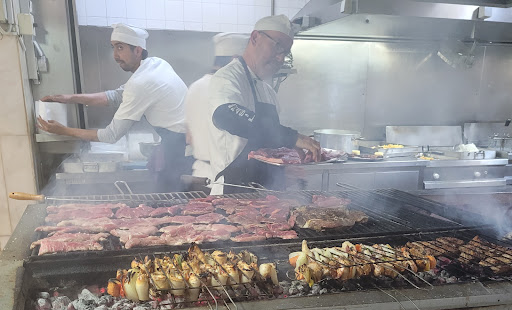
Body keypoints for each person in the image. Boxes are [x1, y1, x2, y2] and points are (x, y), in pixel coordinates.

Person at [37, 23, 190, 191]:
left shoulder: (142, 82)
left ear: (137, 50)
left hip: (180, 148)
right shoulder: (156, 64)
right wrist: (69, 98)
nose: (115, 55)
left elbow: (110, 135)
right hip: (181, 141)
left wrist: (64, 131)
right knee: (170, 198)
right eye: (113, 47)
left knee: (173, 199)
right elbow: (116, 96)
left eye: (120, 47)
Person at [208, 14, 320, 194]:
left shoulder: (267, 91)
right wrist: (291, 137)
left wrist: (288, 159)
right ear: (255, 37)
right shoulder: (228, 78)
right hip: (232, 191)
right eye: (277, 47)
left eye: (285, 52)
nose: (280, 58)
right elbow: (226, 115)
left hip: (266, 194)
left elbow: (269, 141)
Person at [185, 33, 249, 188]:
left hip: (199, 176)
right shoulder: (232, 90)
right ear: (235, 59)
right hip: (226, 182)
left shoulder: (195, 87)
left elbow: (189, 137)